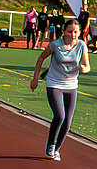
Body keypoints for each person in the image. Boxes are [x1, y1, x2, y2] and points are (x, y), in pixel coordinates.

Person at [29, 17, 90, 160]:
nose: (73, 35)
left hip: (71, 85)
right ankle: (51, 144)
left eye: (76, 32)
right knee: (59, 116)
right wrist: (35, 78)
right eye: (70, 31)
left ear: (79, 33)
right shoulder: (55, 45)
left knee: (67, 122)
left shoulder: (81, 45)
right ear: (64, 31)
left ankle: (57, 149)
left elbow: (87, 66)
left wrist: (83, 68)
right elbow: (41, 58)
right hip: (54, 83)